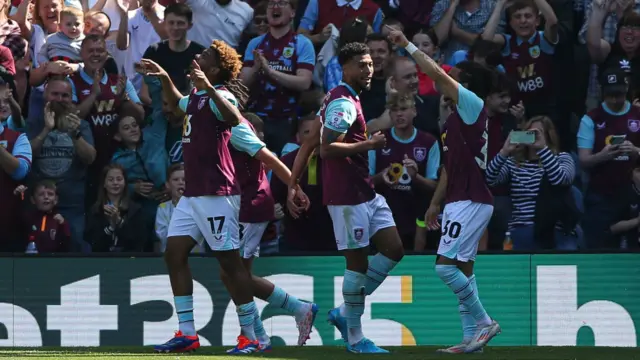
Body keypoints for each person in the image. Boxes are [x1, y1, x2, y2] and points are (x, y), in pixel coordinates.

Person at [137, 40, 260, 354]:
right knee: (174, 254)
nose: (197, 56)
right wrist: (164, 77)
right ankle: (187, 333)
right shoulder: (195, 96)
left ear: (215, 68)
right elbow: (178, 105)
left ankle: (252, 336)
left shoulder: (223, 95)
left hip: (217, 193)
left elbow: (234, 117)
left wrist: (208, 87)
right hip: (193, 194)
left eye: (204, 55)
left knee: (231, 264)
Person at [386, 28, 501, 353]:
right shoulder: (454, 119)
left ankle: (484, 322)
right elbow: (450, 170)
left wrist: (406, 45)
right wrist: (436, 204)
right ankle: (471, 341)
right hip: (459, 200)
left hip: (472, 200)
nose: (447, 79)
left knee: (444, 266)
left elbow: (434, 71)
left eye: (456, 77)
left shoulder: (471, 103)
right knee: (463, 269)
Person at [287, 42, 404, 353]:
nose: (369, 70)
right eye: (362, 65)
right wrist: (368, 145)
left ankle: (344, 311)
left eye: (370, 64)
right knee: (356, 264)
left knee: (394, 248)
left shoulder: (341, 98)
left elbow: (309, 143)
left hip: (364, 190)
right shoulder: (343, 103)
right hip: (347, 196)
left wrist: (292, 184)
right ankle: (354, 337)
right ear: (345, 67)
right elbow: (325, 149)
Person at [223, 113, 317, 352]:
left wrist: (294, 187)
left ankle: (266, 332)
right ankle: (278, 323)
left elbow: (273, 162)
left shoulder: (237, 131)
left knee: (234, 274)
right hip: (242, 207)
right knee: (236, 275)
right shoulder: (224, 133)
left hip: (250, 207)